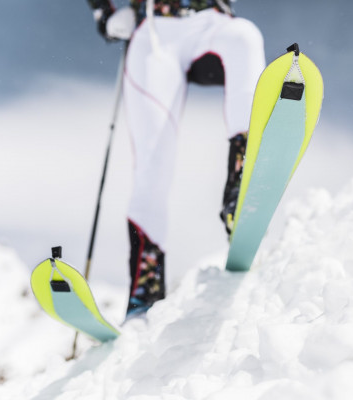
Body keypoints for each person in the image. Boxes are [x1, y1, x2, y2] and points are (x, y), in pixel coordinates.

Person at [86, 0, 266, 317]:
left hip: (212, 23)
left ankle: (242, 185)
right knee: (151, 165)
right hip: (154, 33)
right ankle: (145, 294)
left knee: (245, 38)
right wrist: (105, 12)